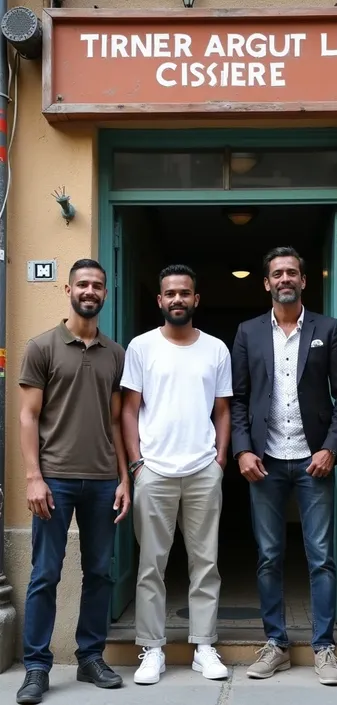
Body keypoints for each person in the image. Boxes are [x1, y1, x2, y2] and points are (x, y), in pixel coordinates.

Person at [231, 246, 337, 684]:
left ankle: (324, 649)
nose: (284, 279)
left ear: (303, 280)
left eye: (292, 273)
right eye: (277, 273)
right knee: (268, 556)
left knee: (320, 557)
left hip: (312, 461)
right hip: (264, 462)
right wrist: (242, 449)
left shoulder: (328, 329)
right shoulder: (247, 332)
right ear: (266, 283)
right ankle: (276, 644)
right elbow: (239, 398)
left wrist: (332, 448)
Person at [16, 259, 130, 704]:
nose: (89, 290)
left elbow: (118, 421)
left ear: (105, 293)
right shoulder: (42, 347)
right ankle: (37, 667)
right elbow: (27, 416)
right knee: (45, 573)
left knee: (99, 573)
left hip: (103, 480)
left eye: (97, 284)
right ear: (68, 288)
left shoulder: (115, 353)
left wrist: (124, 479)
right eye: (82, 283)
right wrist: (33, 477)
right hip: (55, 481)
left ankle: (90, 657)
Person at [121, 264, 232, 685]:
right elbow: (129, 409)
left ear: (196, 299)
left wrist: (220, 461)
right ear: (160, 300)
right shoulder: (141, 347)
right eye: (170, 294)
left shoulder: (216, 349)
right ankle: (152, 649)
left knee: (206, 562)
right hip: (155, 470)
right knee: (151, 564)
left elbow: (223, 410)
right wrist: (137, 464)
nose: (177, 300)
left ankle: (204, 645)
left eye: (184, 293)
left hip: (203, 469)